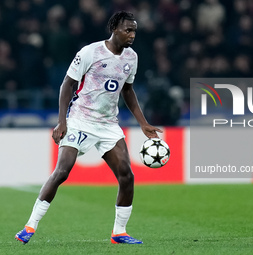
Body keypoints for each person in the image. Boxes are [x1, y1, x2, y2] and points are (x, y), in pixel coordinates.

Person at [15, 11, 162, 245]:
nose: (132, 35)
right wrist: (62, 121)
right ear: (114, 28)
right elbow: (68, 84)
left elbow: (127, 90)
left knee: (127, 175)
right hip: (80, 119)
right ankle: (29, 226)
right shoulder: (90, 52)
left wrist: (142, 123)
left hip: (108, 124)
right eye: (128, 30)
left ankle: (119, 233)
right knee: (62, 172)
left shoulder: (131, 57)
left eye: (134, 30)